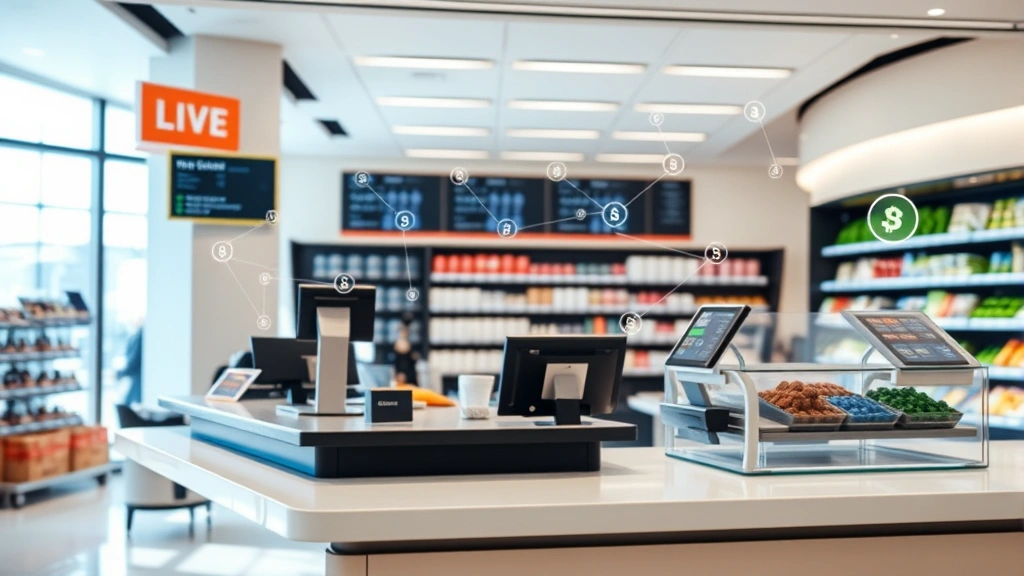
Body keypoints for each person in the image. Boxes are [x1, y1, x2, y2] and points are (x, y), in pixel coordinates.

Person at [392, 314, 419, 386]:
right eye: (402, 331)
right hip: (399, 381)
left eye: (406, 331)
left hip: (410, 381)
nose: (404, 333)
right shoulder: (397, 347)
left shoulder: (412, 347)